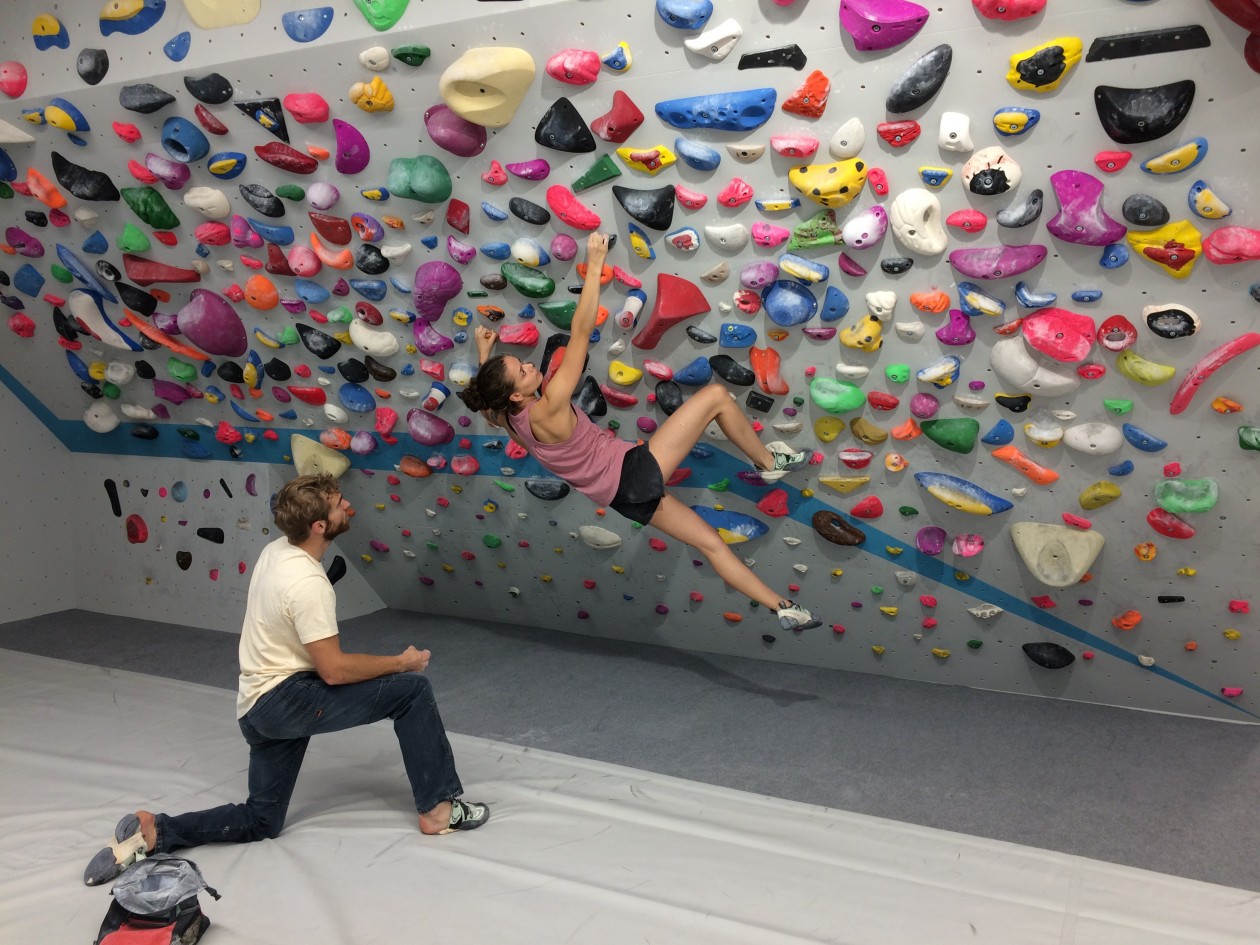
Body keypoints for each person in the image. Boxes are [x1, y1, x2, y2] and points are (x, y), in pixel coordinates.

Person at [84, 474, 488, 887]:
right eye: (338, 504)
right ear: (319, 526)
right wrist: (400, 663)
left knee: (263, 820)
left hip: (255, 707)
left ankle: (158, 832)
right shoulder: (308, 583)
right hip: (288, 700)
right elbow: (334, 671)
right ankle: (439, 810)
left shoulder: (275, 550)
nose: (348, 506)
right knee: (412, 692)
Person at [458, 232, 822, 633]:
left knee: (710, 544)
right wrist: (595, 262)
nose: (530, 366)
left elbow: (488, 402)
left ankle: (785, 608)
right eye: (522, 371)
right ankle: (770, 462)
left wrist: (484, 354)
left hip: (623, 498)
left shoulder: (511, 421)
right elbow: (580, 334)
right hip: (633, 471)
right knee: (717, 395)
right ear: (515, 394)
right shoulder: (549, 407)